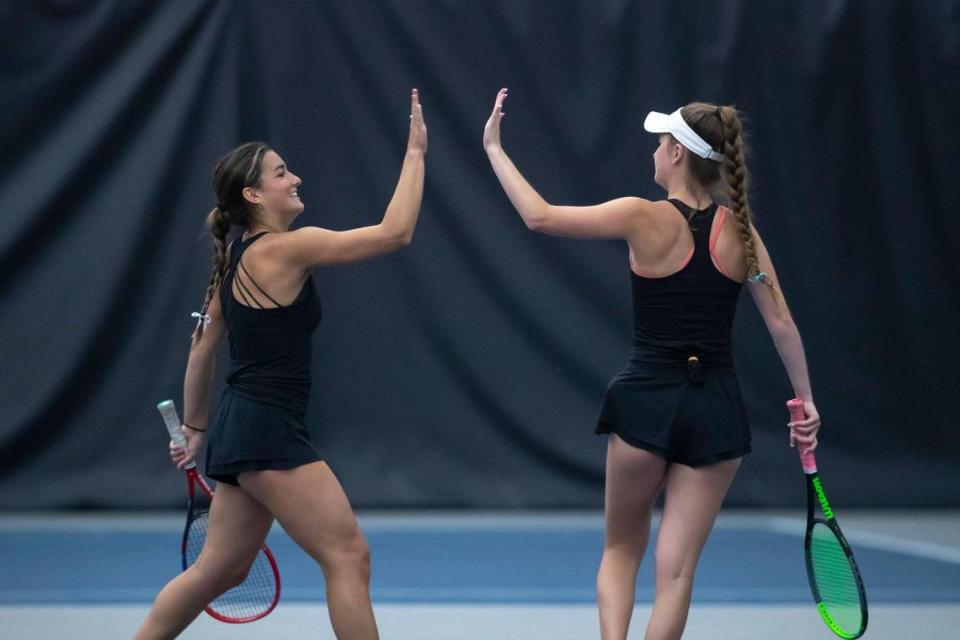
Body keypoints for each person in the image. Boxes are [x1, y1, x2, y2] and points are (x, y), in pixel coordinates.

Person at [482, 88, 820, 640]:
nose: (655, 153)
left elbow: (538, 217)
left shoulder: (641, 216)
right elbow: (782, 323)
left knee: (620, 548)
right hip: (716, 408)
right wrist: (805, 405)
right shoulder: (743, 233)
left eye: (660, 143)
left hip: (647, 401)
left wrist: (495, 148)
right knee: (678, 570)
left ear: (678, 155)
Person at [133, 89, 427, 640]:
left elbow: (201, 349)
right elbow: (396, 232)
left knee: (219, 570)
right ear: (254, 194)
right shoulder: (287, 249)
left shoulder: (237, 258)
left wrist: (195, 430)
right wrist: (415, 153)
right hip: (266, 430)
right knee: (348, 555)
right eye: (281, 172)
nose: (295, 179)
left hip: (240, 427)